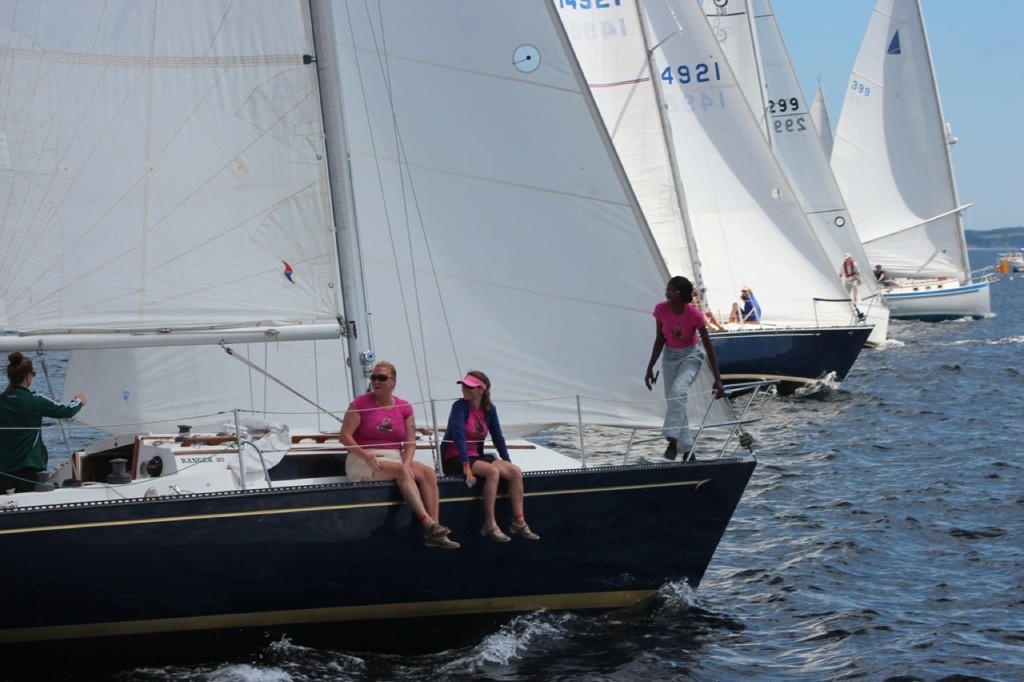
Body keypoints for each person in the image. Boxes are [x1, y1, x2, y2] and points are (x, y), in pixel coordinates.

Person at [340, 361, 459, 549]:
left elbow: (410, 443)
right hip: (364, 458)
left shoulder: (404, 407)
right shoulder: (360, 403)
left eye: (382, 378)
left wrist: (407, 463)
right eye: (373, 377)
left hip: (395, 457)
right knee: (402, 472)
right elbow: (344, 436)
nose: (376, 381)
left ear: (393, 382)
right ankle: (427, 523)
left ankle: (434, 532)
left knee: (428, 472)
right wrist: (365, 455)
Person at [441, 371, 539, 542]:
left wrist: (506, 461)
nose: (465, 389)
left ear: (481, 390)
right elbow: (458, 436)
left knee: (515, 472)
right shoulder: (460, 406)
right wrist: (466, 465)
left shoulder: (489, 409)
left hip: (475, 456)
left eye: (470, 387)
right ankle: (490, 524)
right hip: (455, 457)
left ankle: (518, 521)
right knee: (492, 472)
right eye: (463, 385)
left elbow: (498, 437)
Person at [644, 276, 725, 462]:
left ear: (681, 295)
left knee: (678, 392)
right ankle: (689, 453)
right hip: (669, 357)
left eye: (671, 292)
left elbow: (708, 345)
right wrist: (649, 368)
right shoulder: (661, 309)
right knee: (675, 401)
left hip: (691, 355)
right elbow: (659, 340)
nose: (667, 295)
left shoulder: (694, 315)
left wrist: (718, 379)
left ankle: (672, 441)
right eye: (667, 291)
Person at [0, 352, 85, 493]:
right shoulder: (34, 401)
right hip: (29, 468)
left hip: (3, 471)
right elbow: (67, 411)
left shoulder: (2, 400)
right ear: (29, 376)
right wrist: (79, 401)